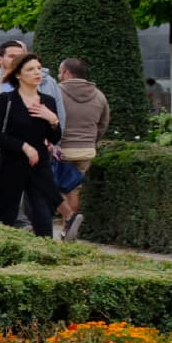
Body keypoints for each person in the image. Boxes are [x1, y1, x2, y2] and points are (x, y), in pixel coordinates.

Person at [0, 53, 65, 237]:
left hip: (38, 164)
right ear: (18, 74)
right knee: (7, 216)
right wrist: (23, 147)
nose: (37, 73)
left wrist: (53, 120)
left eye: (38, 68)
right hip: (10, 163)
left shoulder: (47, 101)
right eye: (30, 69)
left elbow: (54, 137)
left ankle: (45, 251)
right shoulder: (5, 100)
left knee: (43, 214)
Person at [55, 56, 109, 240]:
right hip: (86, 150)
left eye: (60, 72)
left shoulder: (56, 92)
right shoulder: (99, 95)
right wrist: (91, 140)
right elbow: (103, 124)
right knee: (73, 188)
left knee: (49, 187)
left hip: (62, 150)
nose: (58, 75)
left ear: (67, 73)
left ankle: (69, 218)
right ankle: (67, 230)